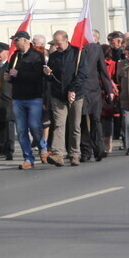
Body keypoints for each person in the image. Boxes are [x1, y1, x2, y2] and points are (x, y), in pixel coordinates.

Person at [44, 30, 88, 166]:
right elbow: (52, 78)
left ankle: (74, 153)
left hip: (76, 95)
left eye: (59, 43)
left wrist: (73, 89)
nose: (57, 46)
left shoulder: (78, 53)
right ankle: (58, 154)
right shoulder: (54, 56)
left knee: (74, 125)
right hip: (58, 95)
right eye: (55, 44)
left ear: (66, 40)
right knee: (59, 124)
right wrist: (48, 74)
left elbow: (82, 74)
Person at [6, 30, 48, 170]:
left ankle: (43, 147)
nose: (14, 43)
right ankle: (28, 158)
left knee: (34, 126)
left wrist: (19, 74)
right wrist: (9, 78)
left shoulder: (37, 56)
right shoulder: (15, 56)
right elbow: (11, 73)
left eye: (16, 40)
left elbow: (37, 76)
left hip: (33, 97)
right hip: (18, 97)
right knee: (22, 130)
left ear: (24, 40)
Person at [79, 30, 116, 161]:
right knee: (82, 121)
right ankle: (85, 152)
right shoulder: (76, 49)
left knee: (96, 120)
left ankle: (99, 149)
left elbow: (103, 71)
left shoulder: (96, 49)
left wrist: (109, 90)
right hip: (79, 91)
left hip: (94, 91)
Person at [0, 42, 15, 161]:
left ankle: (9, 150)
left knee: (9, 126)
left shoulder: (11, 66)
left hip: (8, 100)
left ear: (7, 53)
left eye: (0, 52)